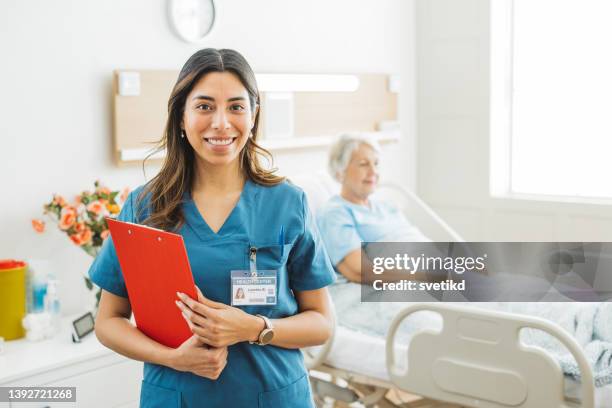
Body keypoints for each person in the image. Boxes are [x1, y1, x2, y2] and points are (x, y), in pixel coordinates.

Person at [89, 48, 335, 408]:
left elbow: (321, 323)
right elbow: (108, 322)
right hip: (178, 396)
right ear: (181, 117)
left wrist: (255, 328)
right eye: (205, 106)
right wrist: (174, 358)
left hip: (273, 396)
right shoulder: (144, 207)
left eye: (236, 107)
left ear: (253, 117)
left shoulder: (287, 204)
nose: (221, 123)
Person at [316, 133, 430, 284]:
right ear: (340, 172)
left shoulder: (387, 207)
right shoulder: (334, 213)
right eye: (363, 164)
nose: (373, 172)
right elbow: (359, 271)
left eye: (375, 164)